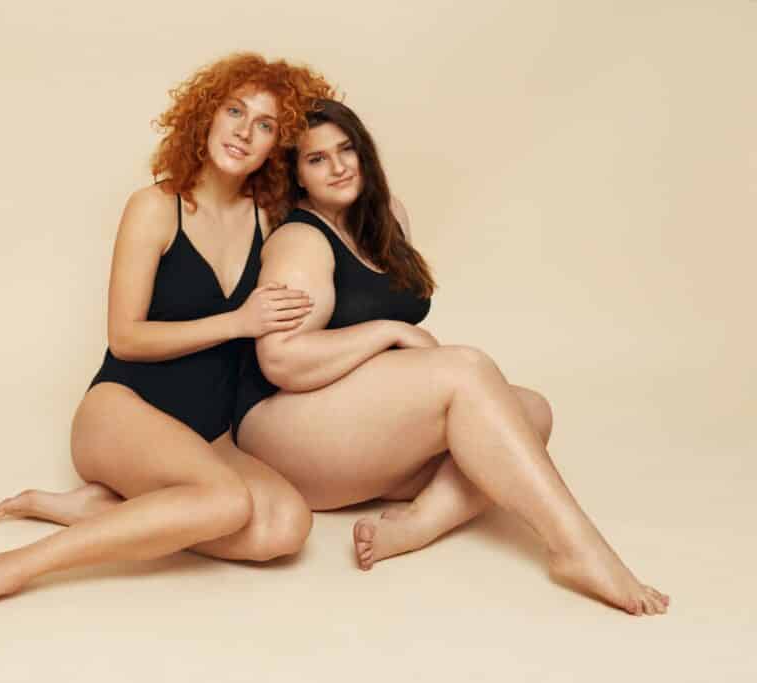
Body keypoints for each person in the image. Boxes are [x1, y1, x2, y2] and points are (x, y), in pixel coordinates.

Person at [0, 54, 332, 622]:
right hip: (122, 410)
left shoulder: (268, 218)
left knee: (287, 528)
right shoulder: (153, 208)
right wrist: (238, 322)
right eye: (235, 111)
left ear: (278, 145)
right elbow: (125, 338)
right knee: (226, 502)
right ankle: (0, 570)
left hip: (206, 434)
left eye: (265, 124)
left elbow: (346, 218)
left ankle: (111, 513)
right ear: (206, 116)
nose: (245, 132)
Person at [230, 99, 669, 616]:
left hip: (352, 427)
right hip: (282, 432)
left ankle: (418, 524)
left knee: (530, 411)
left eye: (346, 149)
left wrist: (394, 347)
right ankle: (576, 547)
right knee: (467, 370)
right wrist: (387, 331)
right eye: (317, 159)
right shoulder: (301, 240)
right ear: (298, 176)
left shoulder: (385, 217)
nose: (339, 166)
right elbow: (280, 359)